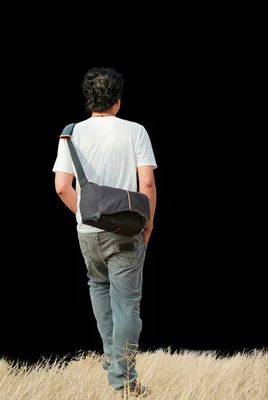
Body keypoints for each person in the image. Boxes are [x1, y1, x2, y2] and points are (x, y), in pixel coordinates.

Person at [52, 67, 157, 397]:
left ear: (89, 99)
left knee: (97, 285)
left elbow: (60, 187)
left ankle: (112, 355)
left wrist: (89, 215)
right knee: (127, 304)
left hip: (88, 232)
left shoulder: (71, 134)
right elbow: (148, 183)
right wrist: (148, 226)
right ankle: (123, 380)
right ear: (118, 100)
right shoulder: (135, 131)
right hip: (127, 232)